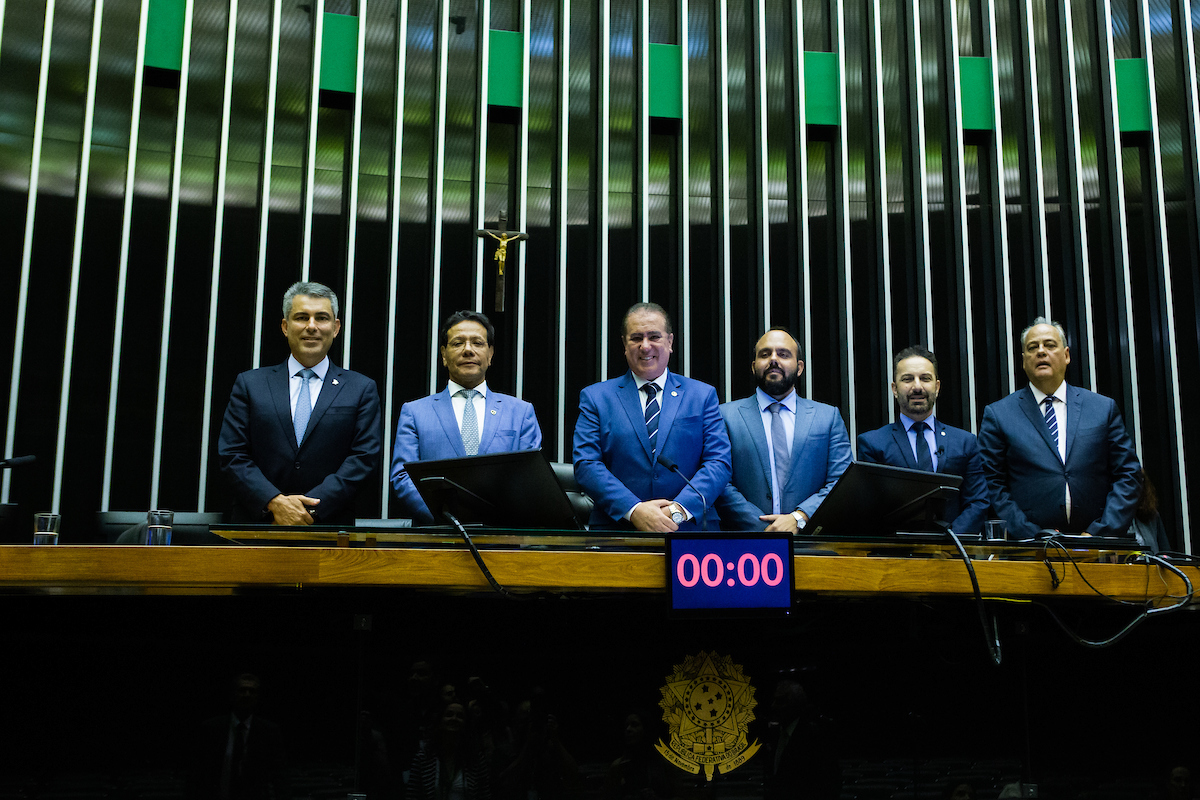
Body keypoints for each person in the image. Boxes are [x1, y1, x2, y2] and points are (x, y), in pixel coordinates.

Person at [218, 281, 383, 525]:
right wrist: (274, 502)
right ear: (285, 326)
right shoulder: (250, 384)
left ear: (336, 327)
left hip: (329, 529)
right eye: (302, 317)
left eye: (322, 318)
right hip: (258, 528)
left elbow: (363, 459)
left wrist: (308, 510)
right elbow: (232, 454)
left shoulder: (361, 389)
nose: (312, 326)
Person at [572, 302, 731, 531]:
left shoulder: (702, 395)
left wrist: (677, 511)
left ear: (670, 342)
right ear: (624, 345)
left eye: (654, 336)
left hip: (690, 532)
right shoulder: (596, 398)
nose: (645, 346)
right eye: (636, 338)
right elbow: (586, 464)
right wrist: (634, 510)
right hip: (618, 532)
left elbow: (719, 462)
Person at [977, 317, 1141, 540]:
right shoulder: (999, 415)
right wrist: (1032, 536)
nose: (1041, 352)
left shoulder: (1102, 408)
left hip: (1098, 546)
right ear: (1024, 361)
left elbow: (1128, 475)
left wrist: (1101, 532)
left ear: (1066, 355)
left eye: (1050, 345)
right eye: (1032, 348)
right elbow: (991, 483)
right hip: (1029, 548)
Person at [390, 311, 542, 524]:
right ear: (443, 355)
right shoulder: (415, 412)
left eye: (477, 343)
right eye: (458, 343)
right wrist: (448, 518)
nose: (468, 350)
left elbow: (530, 479)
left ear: (490, 354)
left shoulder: (520, 412)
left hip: (501, 538)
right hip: (435, 538)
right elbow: (402, 477)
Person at [714, 328, 851, 532]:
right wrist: (764, 528)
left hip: (811, 542)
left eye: (784, 354)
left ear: (799, 367)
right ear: (753, 367)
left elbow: (841, 480)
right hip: (744, 544)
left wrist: (799, 517)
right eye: (765, 354)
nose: (774, 359)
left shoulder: (827, 417)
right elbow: (719, 480)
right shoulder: (725, 416)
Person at [856, 345, 990, 533]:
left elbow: (978, 502)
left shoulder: (965, 442)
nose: (917, 387)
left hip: (953, 554)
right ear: (894, 389)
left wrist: (947, 544)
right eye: (908, 379)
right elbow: (871, 510)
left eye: (925, 379)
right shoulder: (872, 443)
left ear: (937, 387)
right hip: (897, 554)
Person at [186, 673, 289, 800]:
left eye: (252, 691)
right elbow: (196, 772)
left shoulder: (270, 731)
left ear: (257, 697)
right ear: (232, 694)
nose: (247, 694)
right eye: (242, 690)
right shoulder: (210, 728)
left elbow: (279, 774)